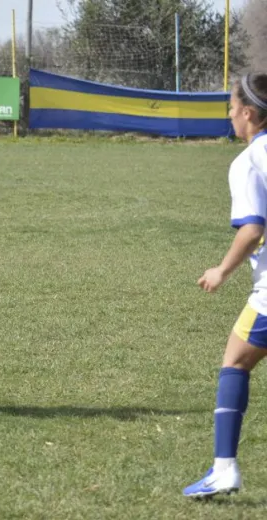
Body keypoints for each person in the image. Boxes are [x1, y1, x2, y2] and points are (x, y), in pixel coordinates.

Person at [183, 73, 267, 498]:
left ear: (248, 113)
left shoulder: (249, 161)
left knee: (235, 361)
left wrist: (221, 270)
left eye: (231, 108)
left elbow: (252, 229)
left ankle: (224, 469)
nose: (230, 115)